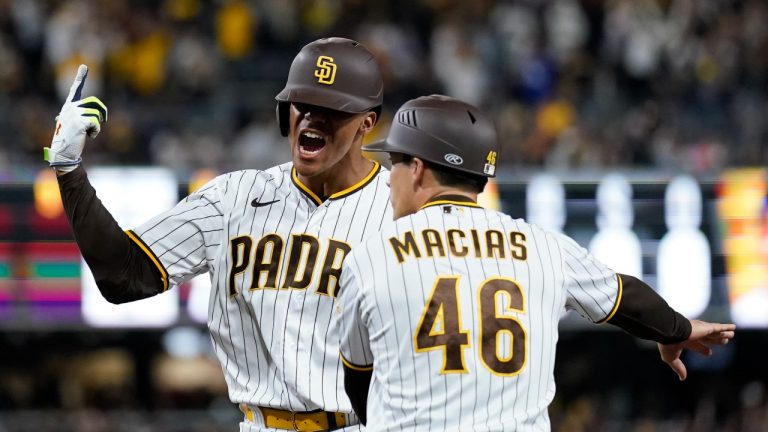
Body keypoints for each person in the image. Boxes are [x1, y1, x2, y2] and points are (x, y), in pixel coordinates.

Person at [46, 37, 392, 432]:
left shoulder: (397, 212)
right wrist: (68, 168)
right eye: (303, 104)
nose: (311, 119)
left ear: (367, 121)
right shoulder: (234, 197)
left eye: (331, 110)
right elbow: (122, 274)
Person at [333, 95, 736, 431]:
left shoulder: (371, 257)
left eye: (394, 164)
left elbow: (360, 381)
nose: (388, 178)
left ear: (418, 168)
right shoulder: (543, 247)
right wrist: (675, 328)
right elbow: (623, 295)